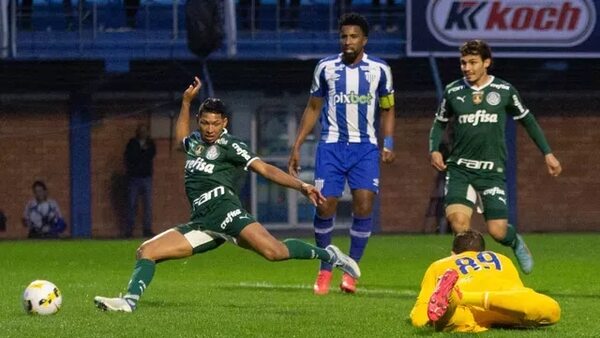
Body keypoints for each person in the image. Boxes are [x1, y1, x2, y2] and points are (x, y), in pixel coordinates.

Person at [94, 77, 360, 312]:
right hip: (202, 222)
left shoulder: (230, 145)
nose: (210, 129)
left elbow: (264, 168)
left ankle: (331, 256)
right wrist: (186, 103)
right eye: (206, 123)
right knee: (146, 251)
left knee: (275, 252)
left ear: (224, 123)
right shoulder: (195, 143)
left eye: (215, 123)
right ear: (200, 122)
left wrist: (301, 185)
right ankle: (128, 302)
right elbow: (180, 139)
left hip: (227, 214)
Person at [428, 39, 562, 274]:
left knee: (497, 230)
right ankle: (471, 275)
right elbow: (439, 124)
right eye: (463, 63)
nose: (466, 68)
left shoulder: (504, 91)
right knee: (460, 224)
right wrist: (435, 149)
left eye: (472, 62)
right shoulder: (453, 91)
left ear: (486, 63)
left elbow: (528, 120)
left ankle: (516, 242)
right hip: (460, 169)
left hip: (491, 171)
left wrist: (547, 153)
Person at [288, 12, 395, 295]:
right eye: (344, 36)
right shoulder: (325, 68)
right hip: (331, 147)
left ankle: (351, 270)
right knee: (324, 206)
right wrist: (297, 145)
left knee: (363, 206)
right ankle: (325, 267)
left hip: (365, 148)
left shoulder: (380, 70)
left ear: (364, 40)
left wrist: (389, 143)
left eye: (353, 36)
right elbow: (313, 108)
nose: (347, 41)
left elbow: (388, 107)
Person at [410, 230, 560, 332]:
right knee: (552, 310)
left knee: (455, 319)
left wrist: (424, 319)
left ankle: (454, 301)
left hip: (471, 310)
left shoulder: (440, 264)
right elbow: (518, 294)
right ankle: (463, 300)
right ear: (483, 252)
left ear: (453, 253)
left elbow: (419, 316)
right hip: (505, 306)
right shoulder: (502, 258)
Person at [124, 124, 156, 238]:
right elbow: (131, 157)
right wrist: (142, 153)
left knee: (147, 205)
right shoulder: (132, 143)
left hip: (146, 177)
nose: (143, 133)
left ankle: (147, 229)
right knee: (131, 204)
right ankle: (129, 229)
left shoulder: (150, 143)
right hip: (134, 177)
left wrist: (142, 153)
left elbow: (150, 155)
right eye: (141, 131)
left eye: (145, 131)